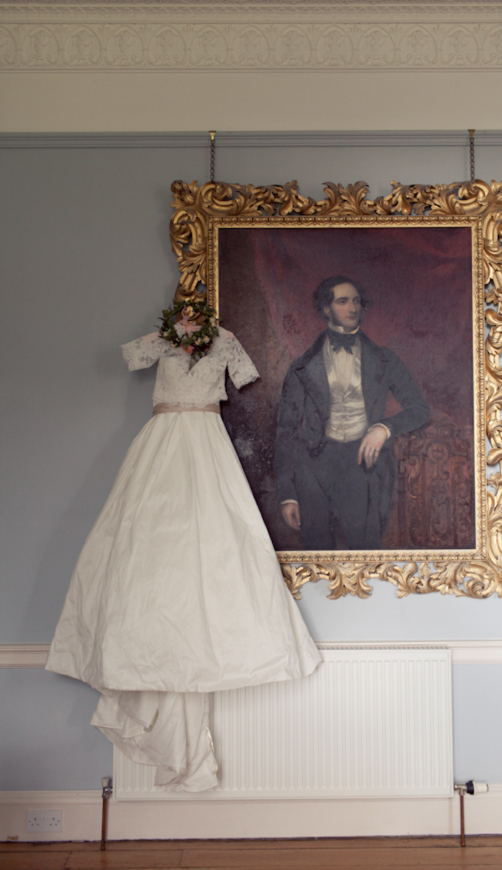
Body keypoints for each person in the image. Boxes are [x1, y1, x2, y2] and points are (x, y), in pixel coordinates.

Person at [46, 299, 320, 792]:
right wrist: (164, 339)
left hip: (208, 442)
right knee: (144, 540)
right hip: (162, 439)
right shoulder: (163, 341)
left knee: (217, 542)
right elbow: (130, 357)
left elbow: (246, 374)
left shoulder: (227, 340)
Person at [275, 277, 430, 550]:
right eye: (342, 301)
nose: (353, 307)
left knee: (365, 553)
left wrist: (383, 428)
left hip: (364, 467)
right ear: (326, 309)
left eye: (356, 300)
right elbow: (286, 431)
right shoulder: (302, 366)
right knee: (319, 555)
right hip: (314, 470)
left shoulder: (384, 359)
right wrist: (288, 495)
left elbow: (420, 410)